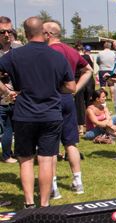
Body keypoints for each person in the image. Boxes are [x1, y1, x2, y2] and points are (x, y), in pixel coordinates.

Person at [0, 16, 75, 208]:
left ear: (25, 34)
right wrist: (56, 89)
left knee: (25, 159)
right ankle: (44, 204)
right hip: (51, 114)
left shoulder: (15, 55)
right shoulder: (57, 56)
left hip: (24, 114)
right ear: (43, 32)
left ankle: (29, 203)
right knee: (46, 159)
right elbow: (71, 87)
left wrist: (8, 91)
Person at [44, 20, 93, 197]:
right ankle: (78, 182)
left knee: (50, 145)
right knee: (71, 142)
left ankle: (53, 187)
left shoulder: (48, 52)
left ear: (48, 34)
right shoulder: (72, 51)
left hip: (52, 99)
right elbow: (88, 69)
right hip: (67, 99)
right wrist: (75, 89)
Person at [0, 16, 20, 164]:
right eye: (2, 32)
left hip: (19, 97)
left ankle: (19, 153)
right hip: (3, 97)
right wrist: (7, 92)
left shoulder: (19, 49)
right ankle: (6, 155)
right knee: (6, 127)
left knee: (19, 127)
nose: (7, 34)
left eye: (9, 31)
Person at [75, 44, 95, 136]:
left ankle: (81, 128)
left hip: (79, 81)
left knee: (79, 105)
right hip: (89, 81)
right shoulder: (90, 56)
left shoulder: (75, 57)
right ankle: (90, 125)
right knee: (89, 104)